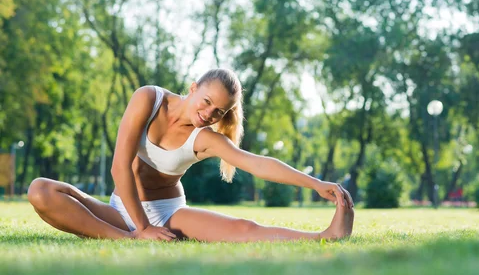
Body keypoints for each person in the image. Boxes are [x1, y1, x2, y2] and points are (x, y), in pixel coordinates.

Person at [27, 68, 354, 242]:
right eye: (207, 101)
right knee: (41, 190)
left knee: (243, 229)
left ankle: (326, 235)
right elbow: (119, 167)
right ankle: (127, 240)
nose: (210, 113)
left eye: (219, 111)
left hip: (169, 214)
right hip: (120, 210)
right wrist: (140, 229)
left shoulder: (206, 138)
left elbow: (256, 163)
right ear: (193, 86)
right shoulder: (148, 99)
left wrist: (314, 184)